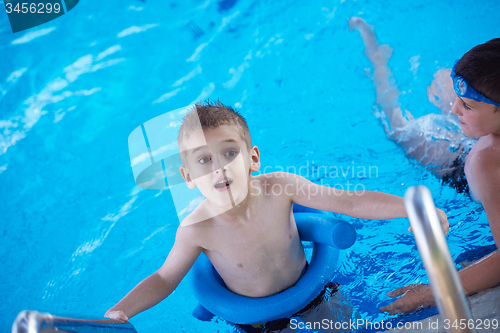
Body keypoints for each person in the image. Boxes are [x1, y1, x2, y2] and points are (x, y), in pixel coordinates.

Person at [104, 100, 448, 322]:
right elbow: (164, 278)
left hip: (313, 290)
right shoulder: (196, 229)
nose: (219, 170)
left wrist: (414, 208)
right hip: (260, 320)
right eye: (204, 161)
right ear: (188, 177)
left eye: (228, 154)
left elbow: (350, 201)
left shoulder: (279, 187)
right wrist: (122, 310)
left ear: (253, 158)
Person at [350, 17, 500, 314]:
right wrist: (469, 106)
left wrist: (431, 293)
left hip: (460, 166)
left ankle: (379, 62)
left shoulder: (485, 165)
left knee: (398, 130)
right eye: (457, 101)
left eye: (465, 106)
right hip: (478, 139)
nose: (455, 109)